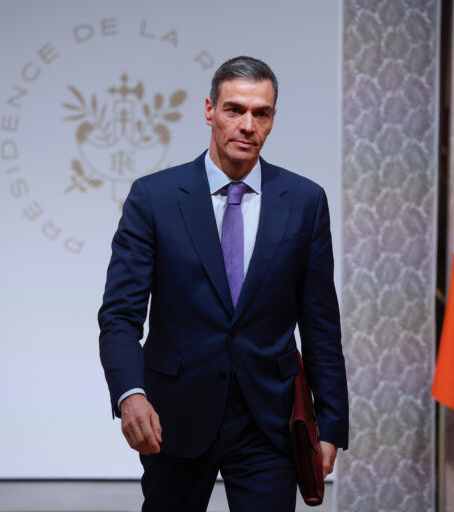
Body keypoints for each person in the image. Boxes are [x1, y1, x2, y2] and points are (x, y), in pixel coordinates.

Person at [98, 56, 349, 511]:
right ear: (209, 110)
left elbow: (320, 325)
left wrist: (331, 423)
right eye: (235, 109)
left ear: (273, 119)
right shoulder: (154, 198)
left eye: (261, 113)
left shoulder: (305, 201)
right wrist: (130, 395)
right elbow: (119, 316)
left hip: (269, 420)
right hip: (173, 414)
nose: (247, 125)